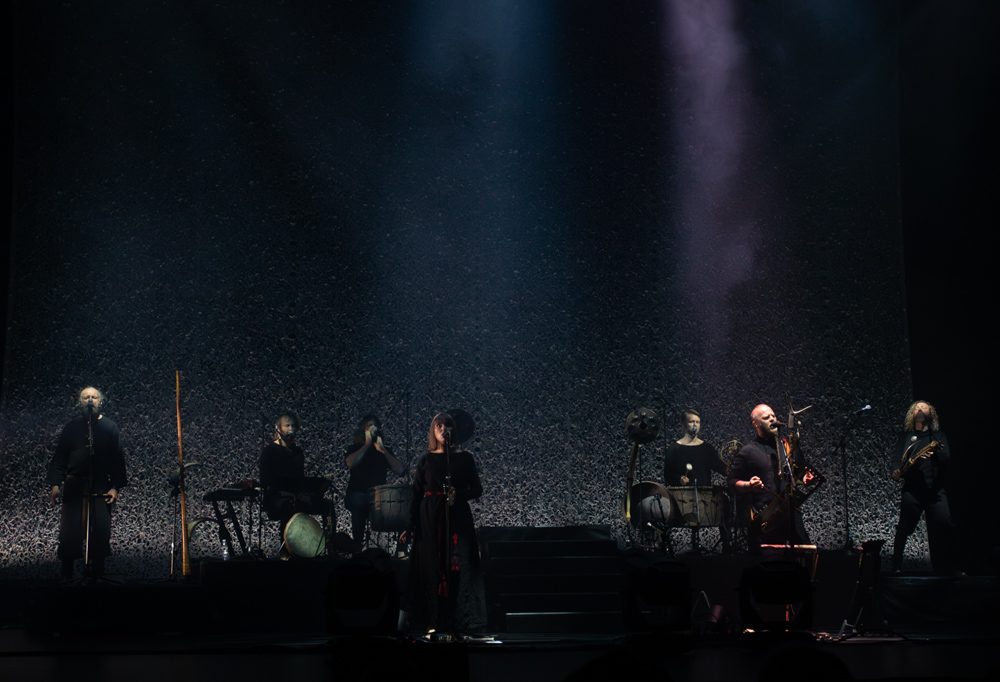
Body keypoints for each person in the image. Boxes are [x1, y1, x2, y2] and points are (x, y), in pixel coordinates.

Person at [400, 413, 486, 634]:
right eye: (439, 426)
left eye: (448, 426)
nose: (444, 430)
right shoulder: (426, 460)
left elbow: (477, 489)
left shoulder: (464, 458)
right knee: (431, 568)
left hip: (457, 518)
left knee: (458, 567)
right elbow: (416, 493)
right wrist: (409, 525)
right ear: (433, 430)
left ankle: (459, 620)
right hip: (430, 518)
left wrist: (461, 493)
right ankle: (431, 620)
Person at [46, 387, 127, 581]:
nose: (90, 400)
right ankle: (67, 574)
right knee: (70, 532)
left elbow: (118, 459)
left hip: (100, 485)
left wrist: (115, 486)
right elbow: (60, 457)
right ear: (80, 402)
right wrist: (55, 485)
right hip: (74, 485)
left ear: (100, 402)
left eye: (93, 397)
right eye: (85, 397)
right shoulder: (72, 426)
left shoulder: (109, 427)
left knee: (99, 531)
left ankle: (96, 573)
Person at [727, 404, 813, 549]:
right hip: (766, 519)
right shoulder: (748, 451)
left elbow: (798, 476)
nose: (772, 419)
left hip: (792, 514)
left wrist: (804, 479)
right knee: (768, 563)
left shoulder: (788, 446)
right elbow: (731, 482)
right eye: (766, 417)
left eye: (773, 416)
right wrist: (748, 485)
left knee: (801, 560)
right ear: (756, 424)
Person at [890, 400, 955, 573]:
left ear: (931, 414)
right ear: (912, 414)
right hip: (912, 490)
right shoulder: (905, 437)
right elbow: (896, 460)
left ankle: (951, 569)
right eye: (916, 407)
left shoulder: (938, 436)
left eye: (923, 407)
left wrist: (934, 454)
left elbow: (946, 459)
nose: (919, 409)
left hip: (935, 490)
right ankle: (896, 568)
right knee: (903, 528)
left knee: (946, 527)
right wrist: (895, 470)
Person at [259, 410, 331, 555]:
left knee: (326, 505)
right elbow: (265, 480)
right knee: (289, 505)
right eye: (287, 426)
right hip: (276, 497)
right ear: (278, 428)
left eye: (293, 426)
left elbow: (299, 479)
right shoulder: (269, 451)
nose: (291, 429)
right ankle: (286, 551)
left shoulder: (297, 452)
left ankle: (326, 548)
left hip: (296, 495)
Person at [344, 414, 404, 548]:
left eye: (374, 426)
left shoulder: (384, 451)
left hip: (379, 499)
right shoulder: (354, 448)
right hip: (357, 494)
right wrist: (366, 445)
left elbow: (400, 470)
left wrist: (383, 450)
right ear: (363, 430)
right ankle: (357, 545)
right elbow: (350, 463)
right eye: (369, 426)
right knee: (359, 500)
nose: (372, 428)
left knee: (400, 504)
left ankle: (401, 549)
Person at [663, 408, 727, 486]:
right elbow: (667, 475)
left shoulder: (707, 448)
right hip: (682, 495)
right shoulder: (674, 448)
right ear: (684, 424)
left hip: (704, 495)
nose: (695, 425)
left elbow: (719, 467)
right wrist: (679, 479)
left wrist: (733, 470)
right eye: (691, 422)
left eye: (697, 422)